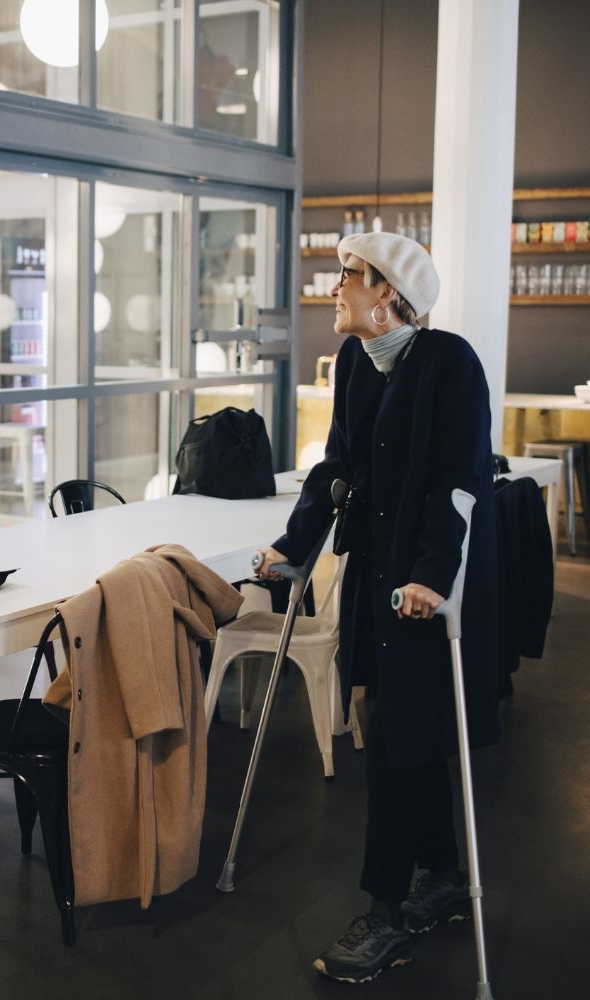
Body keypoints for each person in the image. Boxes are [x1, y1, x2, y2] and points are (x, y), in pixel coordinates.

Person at [254, 231, 499, 983]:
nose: (336, 288)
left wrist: (431, 572)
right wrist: (295, 545)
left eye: (349, 276)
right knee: (392, 724)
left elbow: (460, 480)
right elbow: (337, 466)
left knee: (395, 738)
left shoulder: (448, 362)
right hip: (373, 574)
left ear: (389, 292)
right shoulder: (359, 366)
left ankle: (388, 912)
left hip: (425, 586)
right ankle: (446, 877)